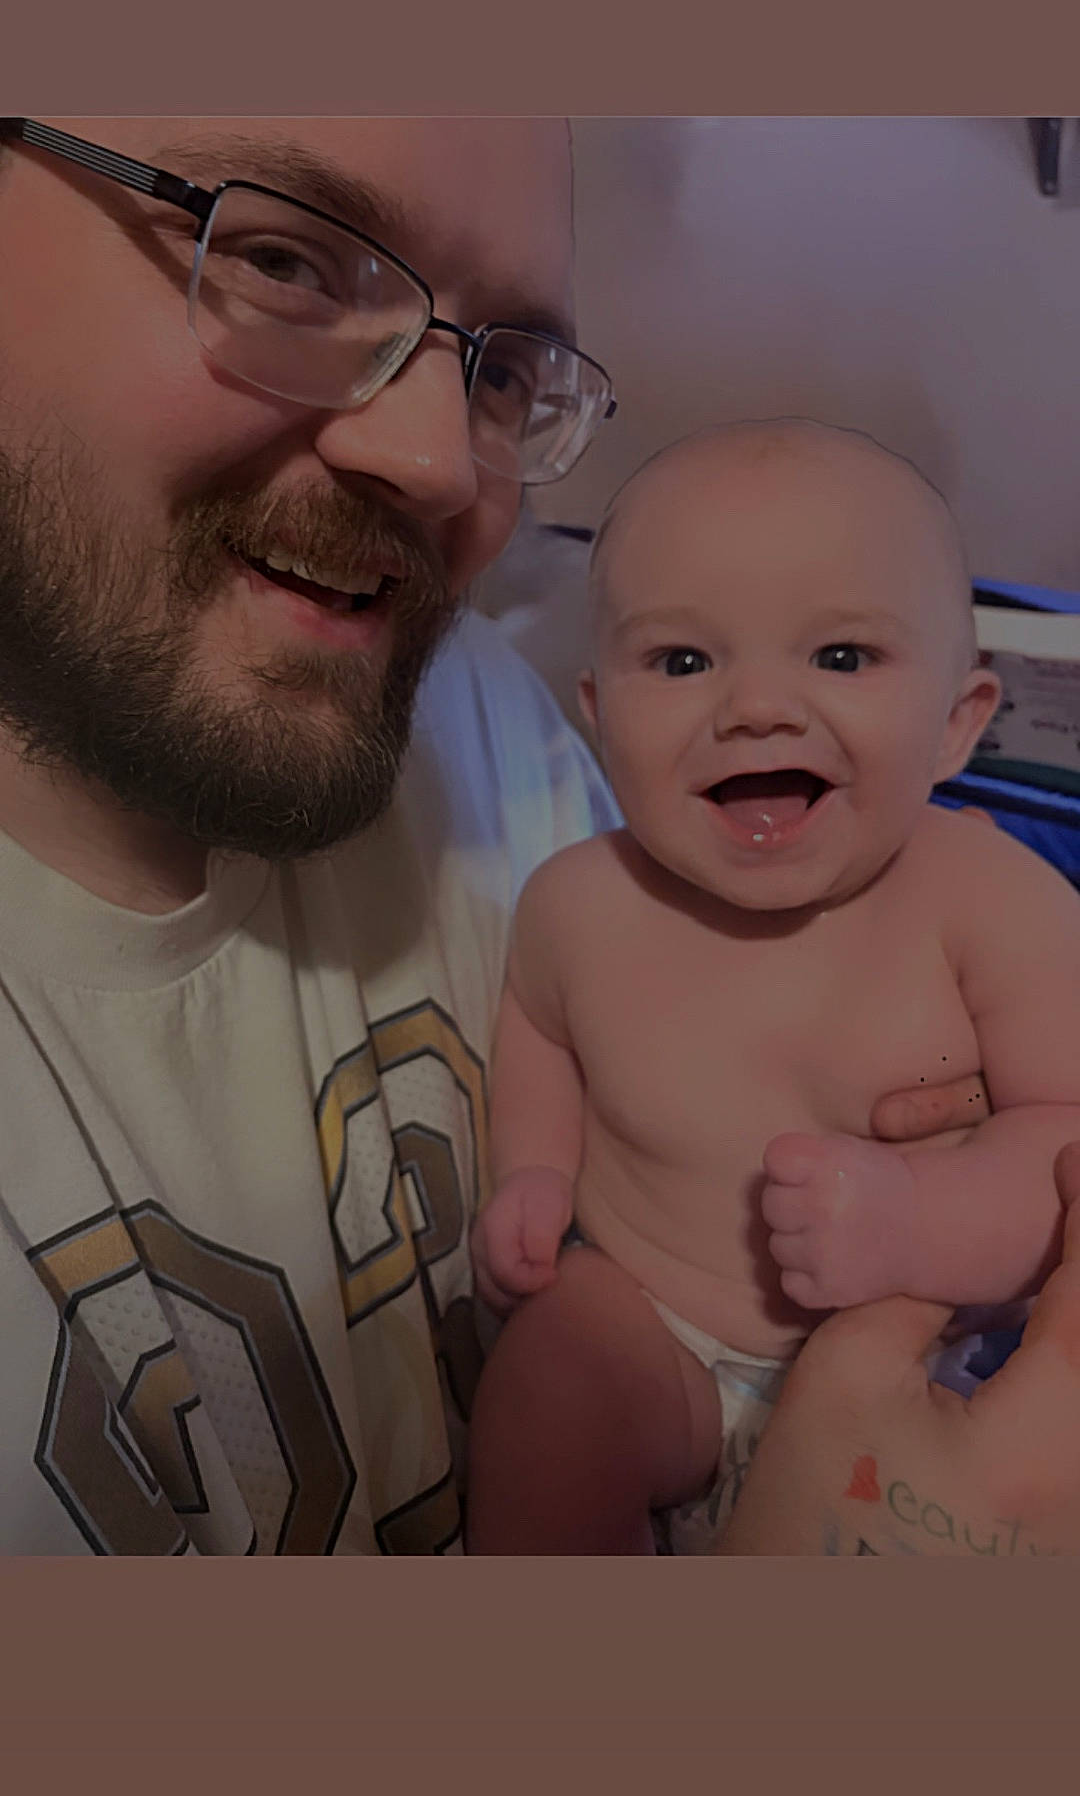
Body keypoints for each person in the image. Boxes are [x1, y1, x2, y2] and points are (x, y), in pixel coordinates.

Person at [0, 116, 1027, 1557]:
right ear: (613, 703)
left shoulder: (461, 708)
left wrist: (969, 1207)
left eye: (500, 364)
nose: (438, 460)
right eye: (285, 257)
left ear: (963, 714)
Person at [466, 420, 1080, 1555]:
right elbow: (540, 1034)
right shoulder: (578, 903)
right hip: (655, 1334)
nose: (754, 706)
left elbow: (1066, 1138)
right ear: (599, 720)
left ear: (959, 724)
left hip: (920, 1363)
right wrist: (534, 1177)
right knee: (550, 1373)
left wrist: (916, 1225)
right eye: (683, 661)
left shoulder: (992, 900)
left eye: (840, 657)